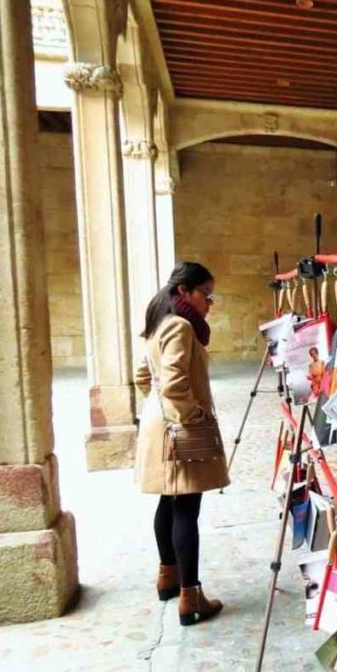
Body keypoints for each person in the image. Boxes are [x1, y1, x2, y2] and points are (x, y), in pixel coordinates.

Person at [135, 262, 229, 626]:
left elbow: (144, 375)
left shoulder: (158, 323)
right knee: (186, 507)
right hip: (180, 428)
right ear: (185, 291)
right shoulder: (180, 326)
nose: (210, 303)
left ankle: (168, 576)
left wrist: (157, 410)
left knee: (168, 502)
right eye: (206, 294)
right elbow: (174, 384)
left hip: (161, 425)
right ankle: (191, 597)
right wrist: (192, 417)